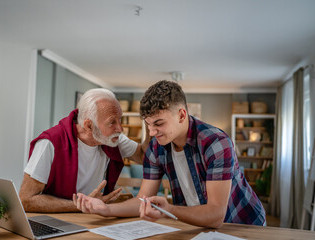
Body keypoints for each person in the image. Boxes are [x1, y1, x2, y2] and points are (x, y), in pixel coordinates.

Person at [74, 80, 266, 228]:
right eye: (148, 124)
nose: (152, 132)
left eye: (158, 124)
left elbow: (216, 215)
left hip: (242, 224)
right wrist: (105, 209)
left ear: (182, 115)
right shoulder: (157, 148)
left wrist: (169, 210)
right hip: (198, 226)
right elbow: (142, 199)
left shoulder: (216, 143)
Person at [19, 88, 147, 213]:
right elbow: (26, 199)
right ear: (89, 125)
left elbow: (144, 156)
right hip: (55, 220)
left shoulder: (113, 139)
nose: (120, 128)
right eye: (112, 122)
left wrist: (150, 122)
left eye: (120, 119)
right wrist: (82, 205)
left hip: (94, 218)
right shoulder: (49, 143)